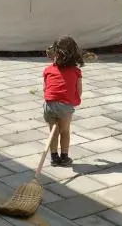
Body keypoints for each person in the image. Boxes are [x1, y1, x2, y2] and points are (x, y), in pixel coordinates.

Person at [43, 36, 83, 166]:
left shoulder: (48, 70)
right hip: (65, 106)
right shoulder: (76, 71)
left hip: (49, 104)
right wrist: (73, 102)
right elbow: (78, 91)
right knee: (64, 131)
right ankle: (64, 157)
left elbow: (45, 89)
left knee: (53, 132)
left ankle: (54, 157)